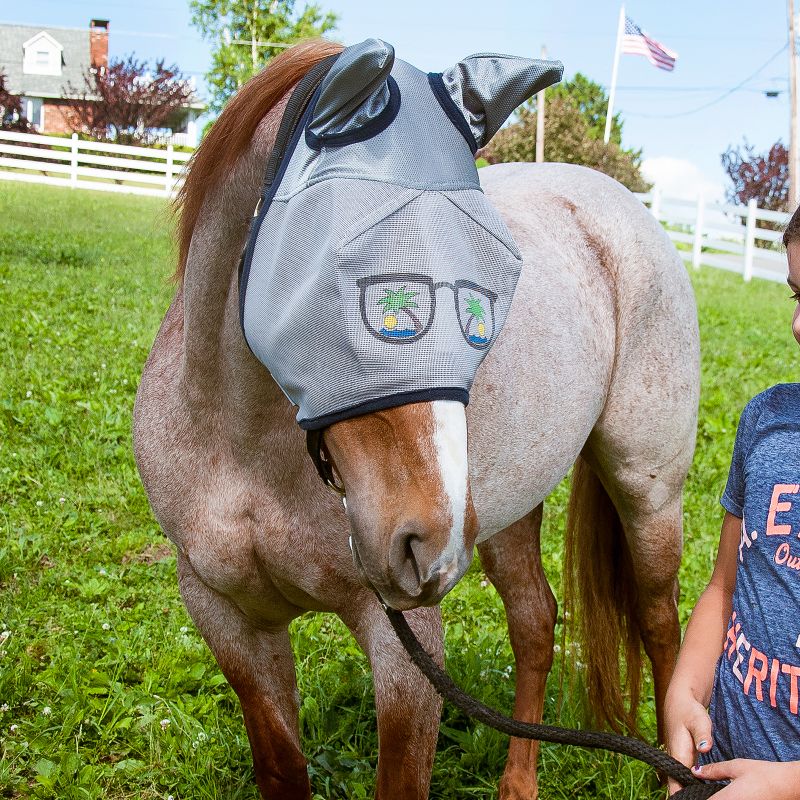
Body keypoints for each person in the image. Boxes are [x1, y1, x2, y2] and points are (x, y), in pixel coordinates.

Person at [665, 210, 800, 798]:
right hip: (716, 765)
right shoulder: (766, 422)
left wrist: (784, 785)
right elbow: (723, 587)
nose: (797, 324)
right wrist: (683, 693)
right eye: (797, 295)